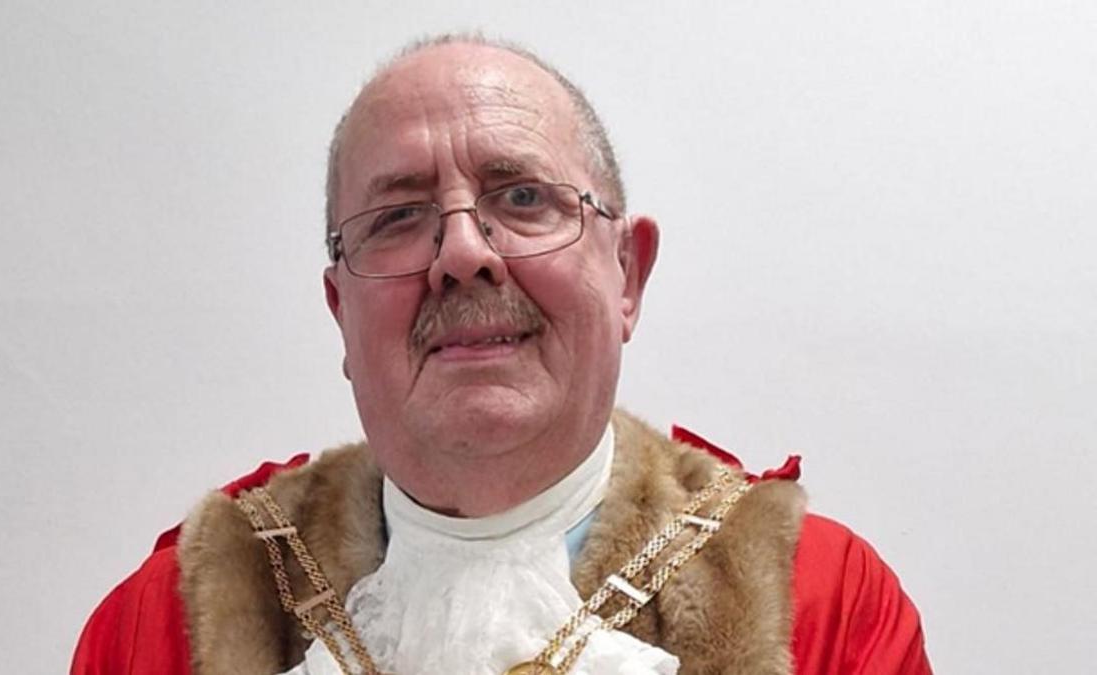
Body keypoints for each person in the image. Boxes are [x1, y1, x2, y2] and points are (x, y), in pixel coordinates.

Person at [72, 34, 931, 675]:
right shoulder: (168, 621)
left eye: (522, 198)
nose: (461, 253)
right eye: (398, 216)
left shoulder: (821, 604)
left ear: (627, 273)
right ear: (340, 309)